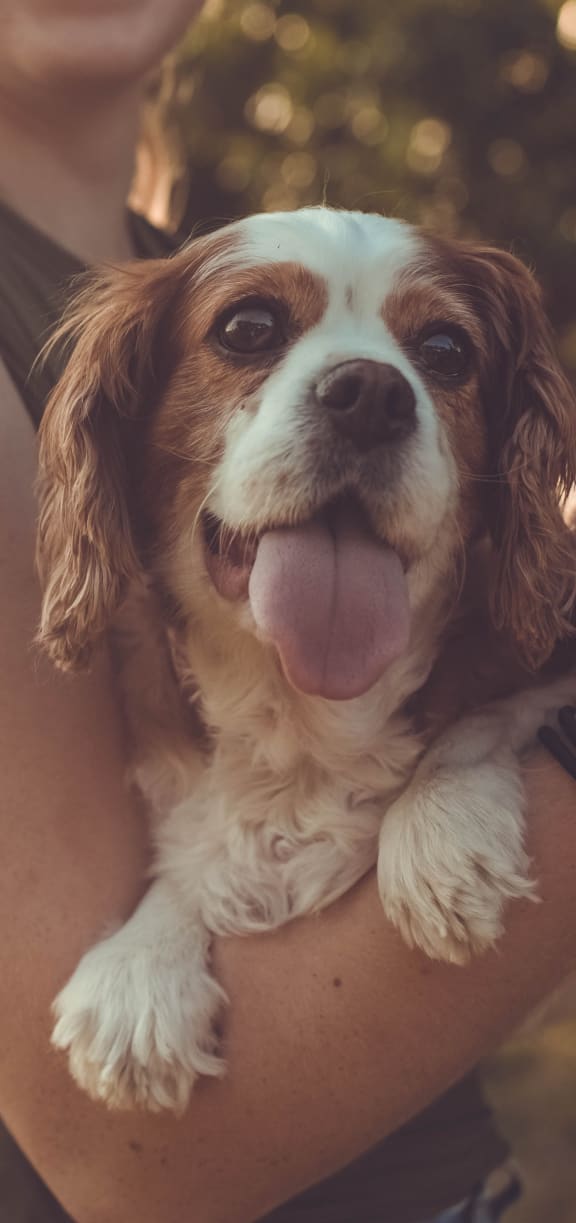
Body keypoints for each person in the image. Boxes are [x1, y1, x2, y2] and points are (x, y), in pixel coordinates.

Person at [0, 4, 576, 1222]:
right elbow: (113, 1156)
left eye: (442, 354)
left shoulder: (174, 241)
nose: (366, 387)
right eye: (255, 333)